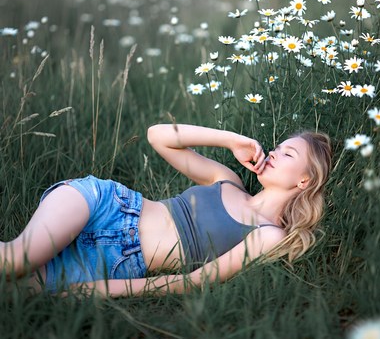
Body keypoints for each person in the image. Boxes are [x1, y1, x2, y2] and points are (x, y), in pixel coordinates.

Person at [0, 123, 332, 297]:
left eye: (287, 155)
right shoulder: (228, 180)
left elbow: (193, 281)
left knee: (13, 292)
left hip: (119, 262)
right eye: (277, 147)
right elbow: (158, 136)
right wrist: (230, 140)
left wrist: (101, 290)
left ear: (305, 181)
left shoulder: (268, 235)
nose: (273, 153)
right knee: (14, 260)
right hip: (107, 206)